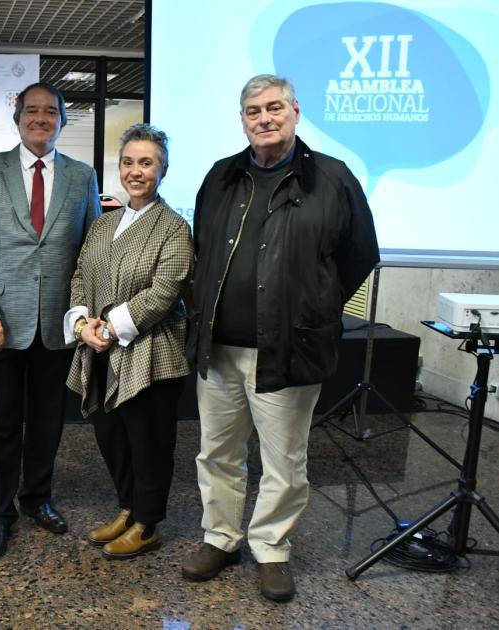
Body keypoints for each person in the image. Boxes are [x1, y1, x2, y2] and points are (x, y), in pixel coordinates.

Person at [181, 74, 379, 600]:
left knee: (283, 460)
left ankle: (271, 548)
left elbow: (360, 255)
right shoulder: (222, 175)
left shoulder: (331, 179)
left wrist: (314, 305)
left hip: (288, 348)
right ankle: (221, 539)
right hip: (219, 348)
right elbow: (203, 247)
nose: (264, 119)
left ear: (295, 111)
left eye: (274, 108)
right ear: (242, 118)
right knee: (216, 452)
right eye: (253, 111)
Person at [0, 81, 101, 559]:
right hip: (0, 324)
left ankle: (37, 498)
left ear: (62, 119)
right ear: (17, 117)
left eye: (50, 112)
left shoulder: (82, 177)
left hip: (59, 325)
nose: (40, 118)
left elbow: (90, 253)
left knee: (46, 421)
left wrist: (84, 316)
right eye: (32, 111)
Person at [65, 123, 193, 559]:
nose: (135, 171)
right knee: (111, 436)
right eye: (128, 162)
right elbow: (81, 275)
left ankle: (148, 523)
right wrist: (82, 323)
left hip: (151, 356)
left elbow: (164, 290)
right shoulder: (104, 224)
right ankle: (127, 508)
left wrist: (110, 326)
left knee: (149, 443)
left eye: (146, 163)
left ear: (163, 169)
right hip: (100, 350)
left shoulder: (174, 228)